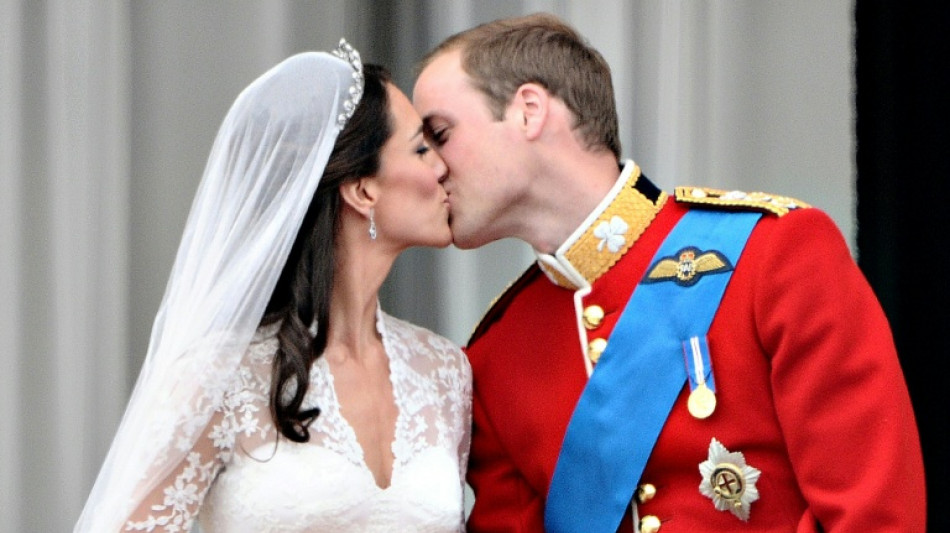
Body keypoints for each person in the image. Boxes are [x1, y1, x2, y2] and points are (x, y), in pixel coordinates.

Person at [413, 13, 925, 533]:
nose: (427, 167)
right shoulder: (497, 355)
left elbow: (876, 516)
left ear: (528, 111)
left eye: (439, 134)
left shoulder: (773, 254)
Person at [75, 41, 471, 532]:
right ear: (363, 190)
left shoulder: (445, 372)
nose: (443, 167)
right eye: (420, 149)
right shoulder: (217, 376)